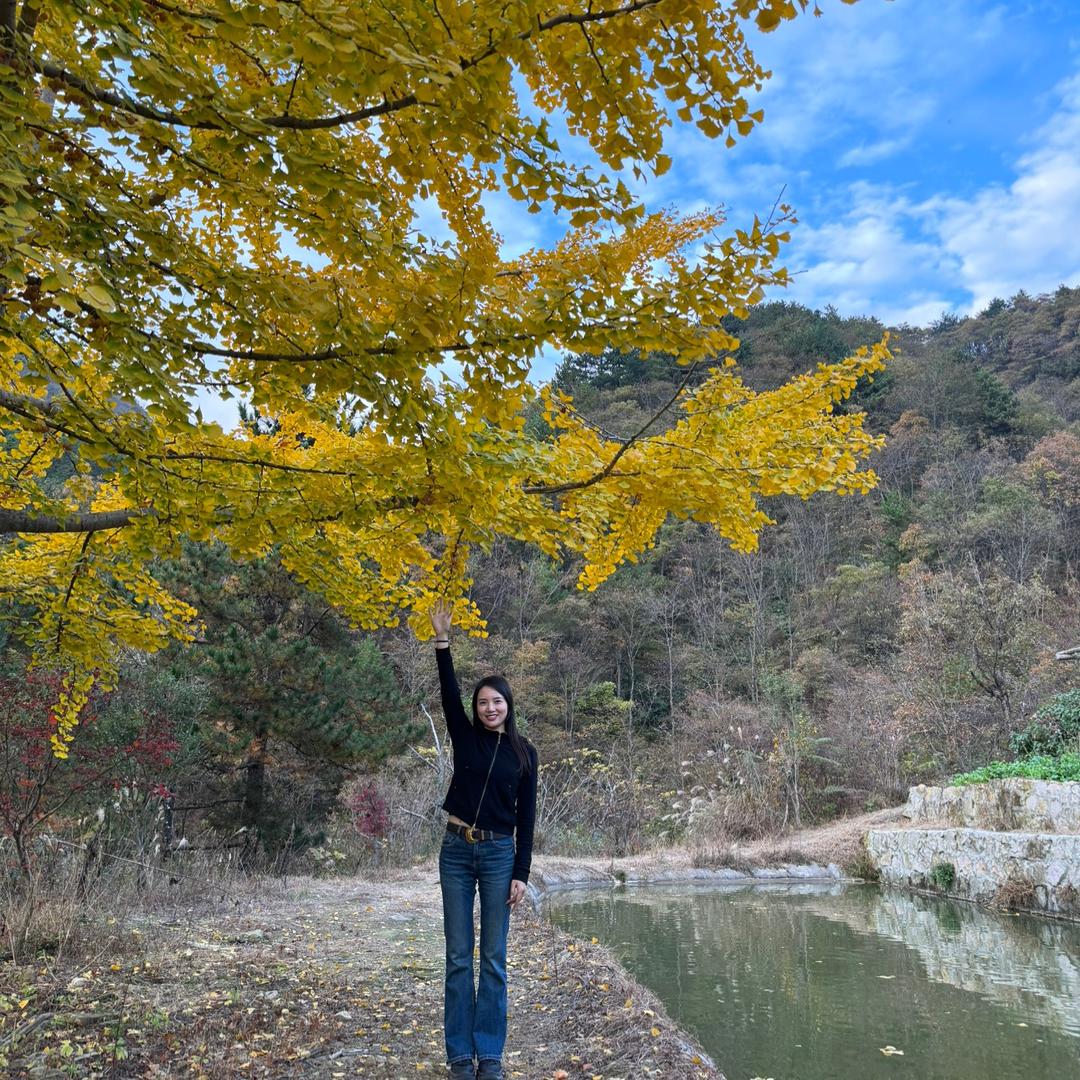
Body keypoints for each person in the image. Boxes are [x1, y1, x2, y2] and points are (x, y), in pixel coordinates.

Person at [429, 600, 538, 1080]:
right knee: (458, 958)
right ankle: (459, 1056)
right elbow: (448, 692)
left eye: (497, 701)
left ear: (508, 705)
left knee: (493, 958)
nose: (489, 708)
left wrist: (521, 873)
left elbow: (527, 818)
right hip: (456, 851)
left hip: (498, 854)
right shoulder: (464, 735)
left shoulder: (525, 754)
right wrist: (442, 642)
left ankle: (489, 1054)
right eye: (483, 702)